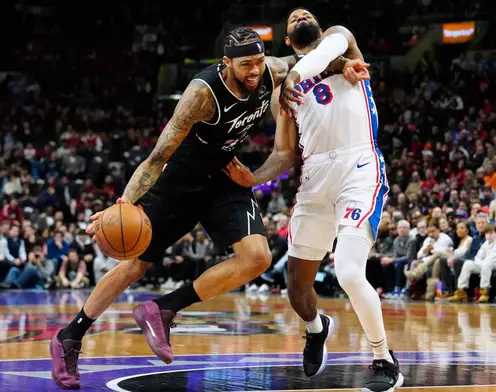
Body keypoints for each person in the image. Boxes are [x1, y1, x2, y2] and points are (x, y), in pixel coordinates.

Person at [50, 26, 358, 390]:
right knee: (134, 263)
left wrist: (345, 66)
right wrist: (125, 202)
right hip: (180, 182)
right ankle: (69, 337)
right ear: (226, 63)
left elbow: (310, 61)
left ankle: (165, 308)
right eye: (246, 65)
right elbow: (157, 157)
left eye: (259, 62)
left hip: (224, 178)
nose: (255, 71)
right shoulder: (202, 94)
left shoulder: (271, 70)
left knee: (257, 257)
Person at [224, 8, 402, 391]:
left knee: (349, 272)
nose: (300, 15)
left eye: (306, 14)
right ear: (288, 42)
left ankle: (384, 359)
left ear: (319, 29)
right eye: (291, 19)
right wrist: (252, 178)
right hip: (314, 178)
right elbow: (284, 153)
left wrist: (295, 74)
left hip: (359, 165)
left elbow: (320, 58)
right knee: (296, 286)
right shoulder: (281, 91)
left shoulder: (340, 41)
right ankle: (315, 328)